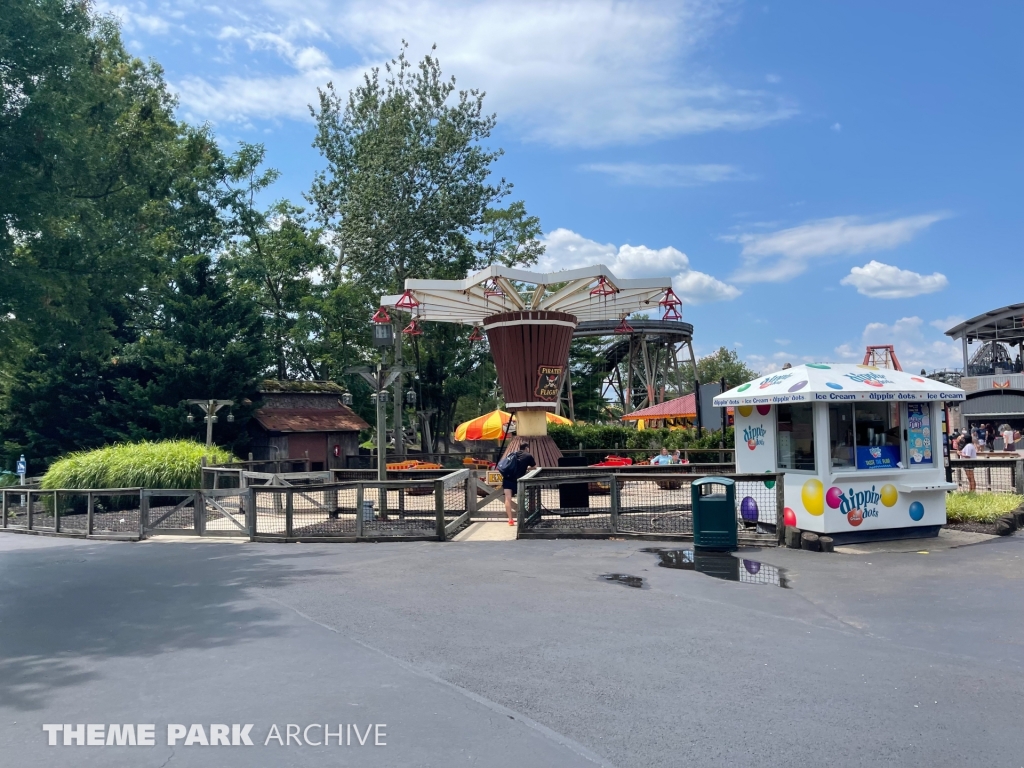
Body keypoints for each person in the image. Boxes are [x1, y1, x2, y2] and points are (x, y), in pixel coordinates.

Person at [501, 441, 535, 526]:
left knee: (507, 499)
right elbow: (534, 467)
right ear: (526, 448)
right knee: (521, 499)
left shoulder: (512, 454)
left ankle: (510, 520)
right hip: (519, 481)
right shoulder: (528, 456)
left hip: (507, 479)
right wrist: (527, 468)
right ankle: (521, 519)